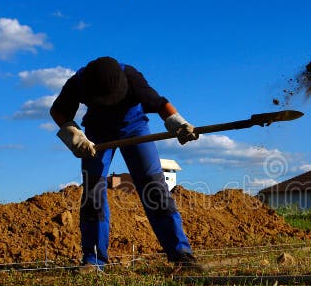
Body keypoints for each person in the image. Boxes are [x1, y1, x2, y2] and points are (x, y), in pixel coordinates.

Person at [50, 56, 205, 273]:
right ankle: (93, 262)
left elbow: (160, 104)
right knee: (93, 190)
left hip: (134, 127)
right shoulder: (78, 82)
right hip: (97, 134)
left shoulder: (131, 76)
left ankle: (181, 254)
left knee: (154, 187)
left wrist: (178, 123)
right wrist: (74, 136)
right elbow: (58, 111)